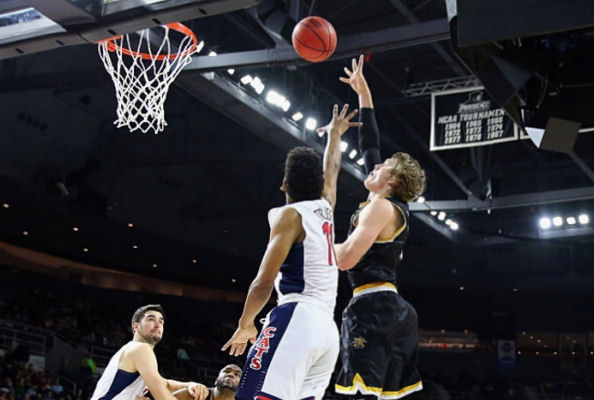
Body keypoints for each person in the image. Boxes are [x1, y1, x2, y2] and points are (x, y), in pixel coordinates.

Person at [222, 104, 362, 400]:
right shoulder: (325, 207)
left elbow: (263, 282)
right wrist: (334, 136)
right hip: (327, 331)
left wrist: (246, 323)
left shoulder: (289, 216)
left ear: (284, 184)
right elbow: (333, 170)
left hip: (298, 316)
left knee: (251, 395)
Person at [333, 56, 426, 399]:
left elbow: (345, 259)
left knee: (358, 395)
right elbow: (368, 144)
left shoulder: (380, 208)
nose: (374, 166)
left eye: (383, 166)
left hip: (372, 308)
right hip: (395, 311)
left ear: (394, 180)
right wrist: (364, 93)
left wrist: (314, 237)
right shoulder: (388, 206)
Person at [90, 304, 209, 400]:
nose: (158, 324)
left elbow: (164, 383)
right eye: (151, 319)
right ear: (136, 326)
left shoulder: (133, 350)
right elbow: (162, 396)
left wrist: (188, 385)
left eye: (161, 321)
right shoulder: (140, 349)